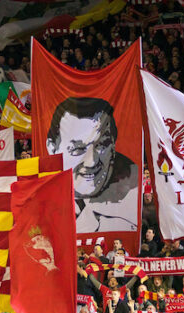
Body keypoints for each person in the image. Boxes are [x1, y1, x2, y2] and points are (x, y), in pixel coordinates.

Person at [46, 97, 139, 233]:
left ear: (113, 145)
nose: (91, 162)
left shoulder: (129, 210)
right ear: (52, 147)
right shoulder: (35, 206)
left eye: (101, 146)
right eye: (78, 149)